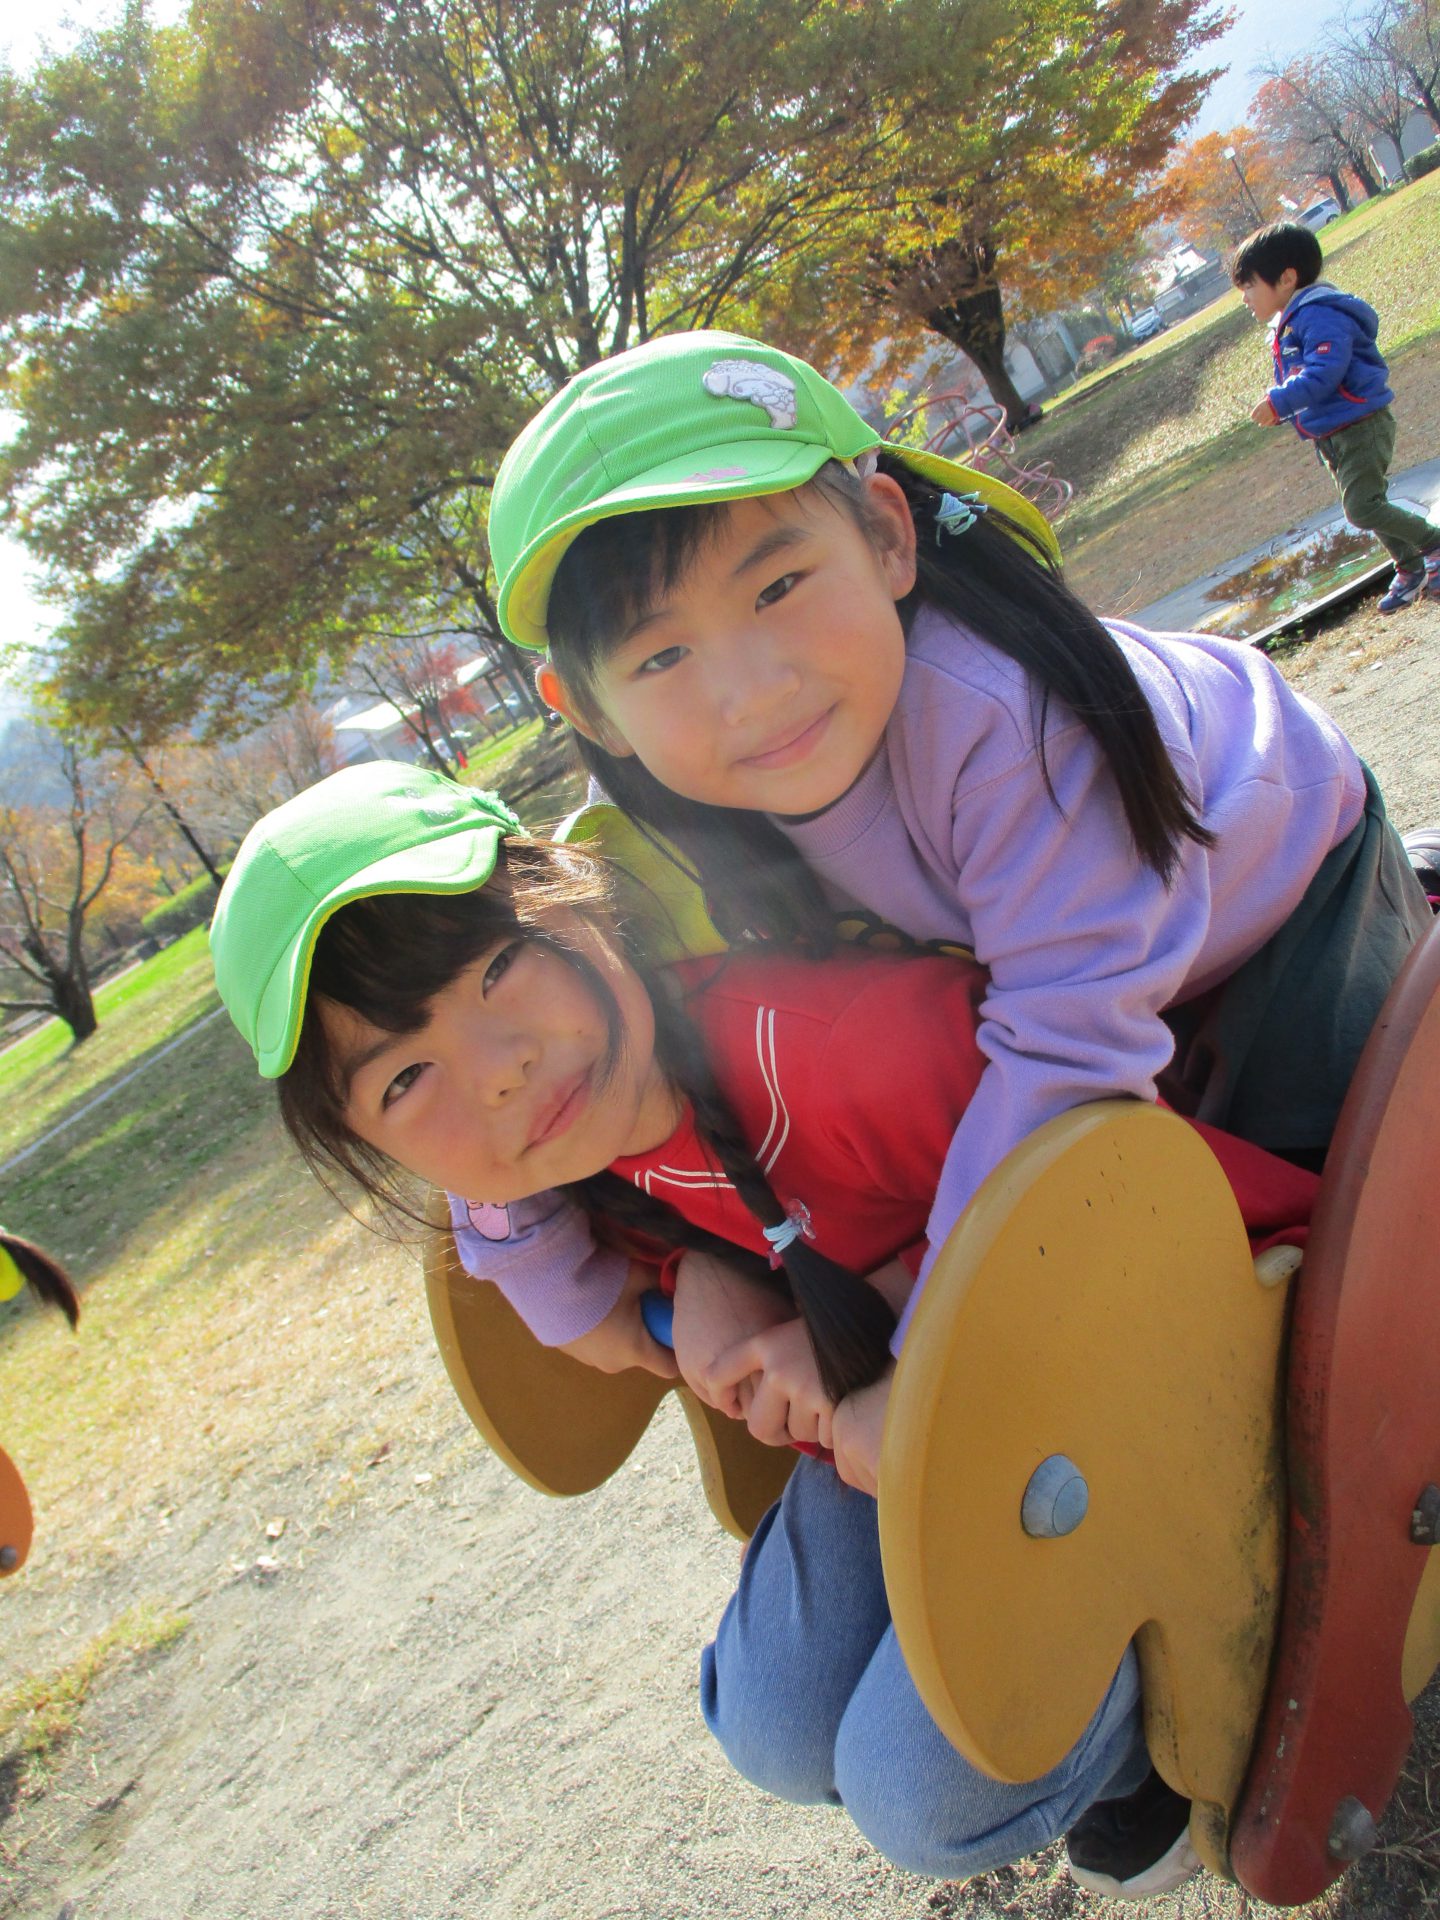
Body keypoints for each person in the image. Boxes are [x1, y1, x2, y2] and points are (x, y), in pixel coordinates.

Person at [479, 325, 1431, 1886]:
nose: (750, 688)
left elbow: (1062, 1060)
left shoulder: (1000, 721)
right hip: (1050, 988)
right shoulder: (653, 831)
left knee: (1325, 1284)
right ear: (580, 702)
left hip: (1273, 916)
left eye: (779, 585)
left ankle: (1272, 1581)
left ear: (885, 530)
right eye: (658, 659)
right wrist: (611, 1259)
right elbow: (505, 1043)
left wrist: (929, 1366)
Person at [210, 762, 1322, 1900]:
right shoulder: (585, 1158)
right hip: (927, 1435)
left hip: (1153, 1367)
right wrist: (690, 1275)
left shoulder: (847, 1055)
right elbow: (649, 1228)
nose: (499, 1072)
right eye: (405, 1079)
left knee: (917, 1797)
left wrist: (908, 1347)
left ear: (575, 892)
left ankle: (1160, 1721)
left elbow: (1140, 1205)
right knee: (770, 1725)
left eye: (498, 968)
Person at [1232, 220, 1440, 615]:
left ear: (1287, 278)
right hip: (1333, 433)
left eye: (1249, 286)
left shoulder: (1319, 316)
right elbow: (1303, 378)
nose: (1245, 298)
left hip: (1361, 426)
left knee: (1361, 508)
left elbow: (1325, 372)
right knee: (1367, 505)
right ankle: (1411, 567)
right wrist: (1284, 408)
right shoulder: (1292, 322)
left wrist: (1279, 402)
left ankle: (1433, 543)